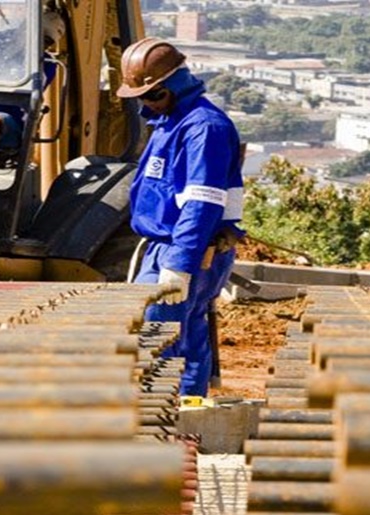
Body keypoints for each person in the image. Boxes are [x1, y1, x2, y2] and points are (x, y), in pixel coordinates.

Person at [118, 37, 244, 399]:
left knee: (158, 340)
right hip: (172, 248)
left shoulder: (203, 128)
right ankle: (183, 418)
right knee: (182, 337)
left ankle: (165, 423)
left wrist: (180, 264)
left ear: (170, 86)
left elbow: (202, 203)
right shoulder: (173, 122)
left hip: (185, 251)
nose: (143, 103)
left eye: (149, 95)